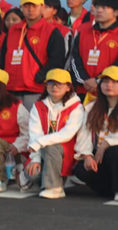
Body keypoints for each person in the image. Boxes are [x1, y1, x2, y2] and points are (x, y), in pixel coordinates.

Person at [73, 66, 118, 201]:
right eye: (105, 82)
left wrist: (106, 144)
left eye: (114, 82)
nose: (109, 85)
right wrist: (87, 155)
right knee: (81, 169)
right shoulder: (92, 106)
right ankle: (106, 190)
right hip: (100, 154)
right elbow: (84, 133)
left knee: (117, 153)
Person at [0, 0, 67, 111]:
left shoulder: (51, 32)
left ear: (42, 7)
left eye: (34, 6)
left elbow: (57, 61)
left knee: (34, 122)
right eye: (26, 6)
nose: (30, 9)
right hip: (10, 89)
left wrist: (39, 77)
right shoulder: (13, 30)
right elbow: (3, 58)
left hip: (36, 91)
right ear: (21, 8)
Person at [24, 69, 84, 199]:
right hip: (43, 150)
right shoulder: (38, 106)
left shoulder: (76, 107)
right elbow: (34, 133)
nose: (54, 87)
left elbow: (67, 134)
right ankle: (51, 181)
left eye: (59, 83)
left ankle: (55, 188)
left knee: (51, 147)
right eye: (50, 83)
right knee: (32, 174)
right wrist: (35, 159)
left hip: (66, 152)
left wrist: (40, 142)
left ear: (68, 87)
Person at [69, 0, 118, 101]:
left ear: (117, 12)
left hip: (111, 90)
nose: (98, 11)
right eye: (97, 7)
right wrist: (85, 80)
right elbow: (74, 59)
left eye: (104, 8)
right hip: (83, 89)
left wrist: (100, 80)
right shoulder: (83, 33)